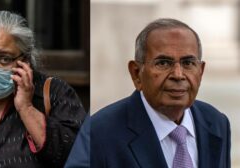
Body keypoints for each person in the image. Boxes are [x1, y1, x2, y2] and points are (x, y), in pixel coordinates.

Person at [0, 11, 86, 168]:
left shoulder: (54, 94)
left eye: (4, 58)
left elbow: (79, 157)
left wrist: (26, 108)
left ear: (25, 60)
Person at [91, 18, 231, 168]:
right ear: (136, 73)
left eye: (188, 63)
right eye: (163, 63)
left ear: (201, 72)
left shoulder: (217, 123)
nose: (178, 75)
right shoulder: (99, 134)